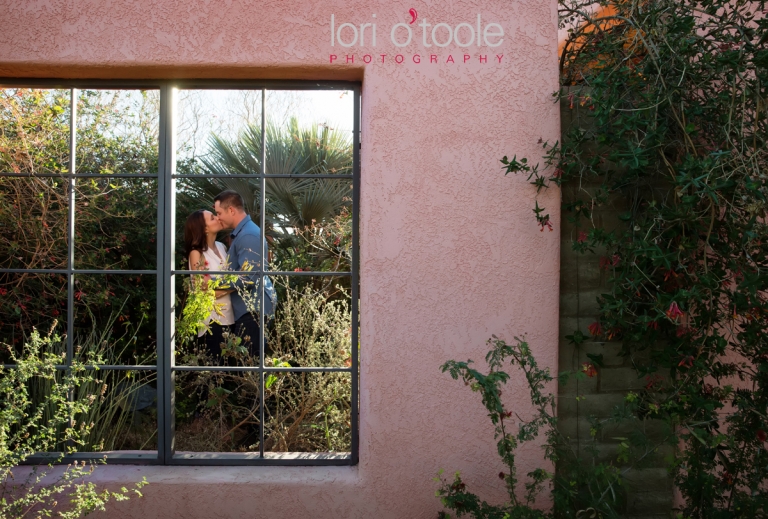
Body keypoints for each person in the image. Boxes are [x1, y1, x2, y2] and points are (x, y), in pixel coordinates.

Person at [213, 190, 277, 356]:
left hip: (253, 309)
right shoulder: (244, 233)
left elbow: (249, 276)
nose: (217, 217)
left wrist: (213, 286)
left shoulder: (248, 234)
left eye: (219, 213)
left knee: (251, 368)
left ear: (231, 210)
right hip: (250, 308)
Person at [183, 209, 235, 359]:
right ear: (204, 228)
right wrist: (236, 285)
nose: (218, 218)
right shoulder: (197, 253)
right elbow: (203, 288)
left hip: (231, 317)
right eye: (212, 218)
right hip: (212, 321)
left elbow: (214, 287)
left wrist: (226, 285)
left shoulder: (221, 247)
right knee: (215, 372)